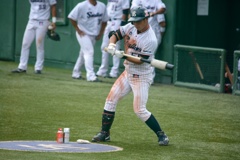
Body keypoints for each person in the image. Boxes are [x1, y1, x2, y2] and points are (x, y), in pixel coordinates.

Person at [92, 6, 169, 146]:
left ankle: (161, 135)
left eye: (139, 21)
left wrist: (122, 55)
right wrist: (112, 45)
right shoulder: (131, 26)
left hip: (141, 76)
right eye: (134, 21)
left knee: (139, 110)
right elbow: (115, 33)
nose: (135, 24)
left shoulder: (151, 39)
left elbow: (139, 61)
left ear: (146, 19)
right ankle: (105, 133)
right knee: (110, 100)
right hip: (127, 72)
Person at [12, 0, 57, 74]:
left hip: (42, 21)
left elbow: (53, 6)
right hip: (31, 21)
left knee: (39, 45)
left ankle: (38, 68)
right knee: (25, 44)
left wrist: (54, 21)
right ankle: (22, 67)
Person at [68, 0, 108, 82]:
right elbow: (71, 17)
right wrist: (78, 29)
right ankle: (91, 76)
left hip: (94, 34)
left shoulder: (102, 6)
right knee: (89, 52)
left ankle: (76, 72)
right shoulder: (81, 5)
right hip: (83, 33)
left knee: (83, 54)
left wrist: (101, 32)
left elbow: (105, 20)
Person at [130, 0, 166, 84]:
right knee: (138, 54)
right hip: (140, 31)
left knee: (149, 55)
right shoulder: (137, 1)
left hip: (153, 31)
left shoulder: (156, 1)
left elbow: (163, 9)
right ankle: (139, 76)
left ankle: (149, 78)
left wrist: (153, 13)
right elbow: (133, 10)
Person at [96, 0, 130, 78]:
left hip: (117, 21)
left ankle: (114, 71)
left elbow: (125, 11)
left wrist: (122, 24)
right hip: (109, 21)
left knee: (115, 47)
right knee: (104, 46)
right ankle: (103, 70)